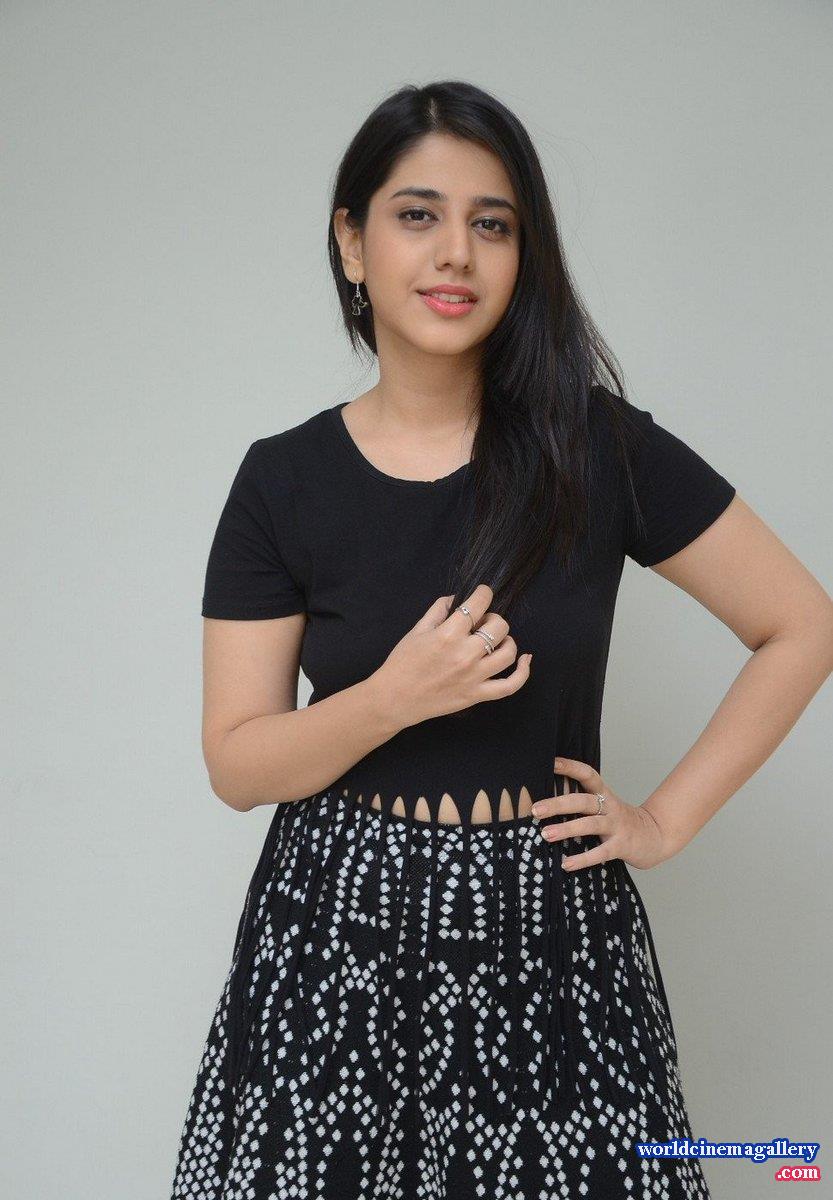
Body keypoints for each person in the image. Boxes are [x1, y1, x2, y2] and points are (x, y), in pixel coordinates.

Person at [170, 81, 833, 1200]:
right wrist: (391, 698)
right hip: (335, 939)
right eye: (416, 215)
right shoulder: (282, 479)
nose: (455, 254)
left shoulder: (597, 448)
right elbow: (236, 763)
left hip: (552, 929)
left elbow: (799, 624)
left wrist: (662, 820)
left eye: (492, 223)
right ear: (351, 242)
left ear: (524, 256)